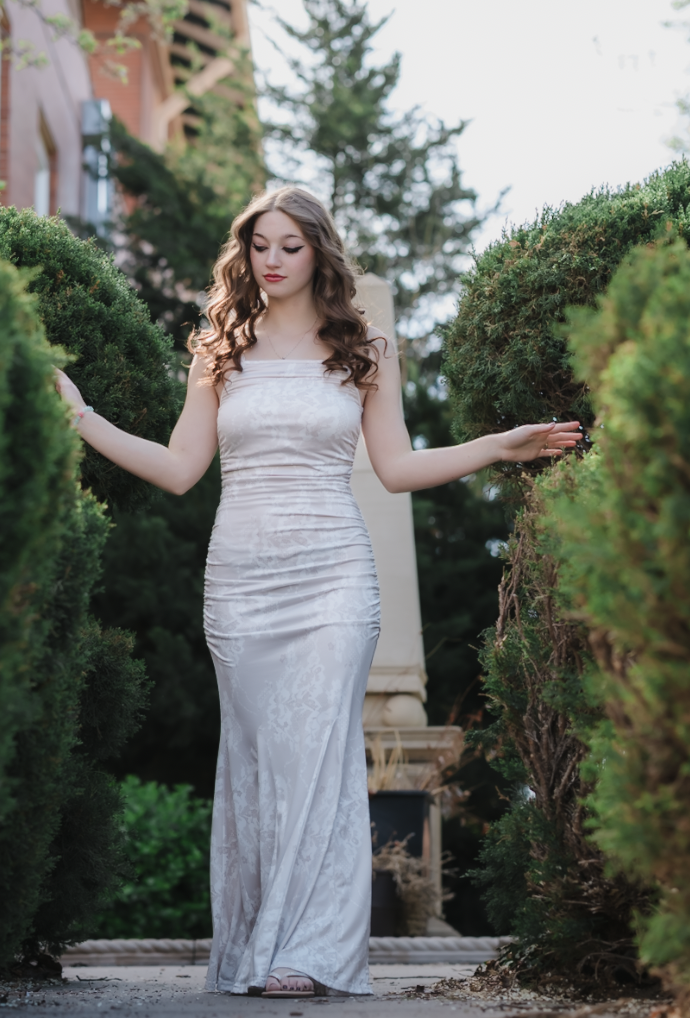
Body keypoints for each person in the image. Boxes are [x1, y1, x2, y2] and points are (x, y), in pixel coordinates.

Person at [54, 187, 581, 998]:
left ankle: (310, 955)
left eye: (290, 245)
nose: (272, 259)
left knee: (319, 758)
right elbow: (179, 469)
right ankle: (260, 945)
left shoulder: (362, 346)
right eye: (260, 244)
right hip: (241, 582)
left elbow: (398, 468)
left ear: (319, 253)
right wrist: (83, 416)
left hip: (335, 575)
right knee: (263, 761)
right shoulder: (219, 345)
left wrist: (495, 448)